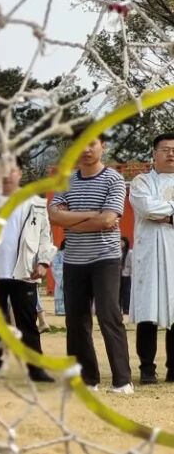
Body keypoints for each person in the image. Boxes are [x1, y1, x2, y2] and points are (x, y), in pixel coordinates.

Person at [48, 132, 133, 394]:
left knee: (109, 315)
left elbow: (109, 220)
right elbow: (54, 217)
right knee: (76, 320)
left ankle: (122, 380)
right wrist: (91, 215)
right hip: (74, 259)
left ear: (102, 146)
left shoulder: (114, 179)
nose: (86, 149)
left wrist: (71, 219)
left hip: (105, 258)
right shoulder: (66, 181)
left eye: (92, 144)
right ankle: (87, 379)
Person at [0, 156, 56, 382]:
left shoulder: (35, 203)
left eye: (12, 169)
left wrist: (43, 262)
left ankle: (35, 368)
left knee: (27, 322)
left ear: (20, 173)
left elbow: (44, 237)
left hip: (24, 272)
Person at [127, 132, 174, 384]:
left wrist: (164, 213)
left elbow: (155, 210)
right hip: (150, 253)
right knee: (149, 311)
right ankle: (147, 368)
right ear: (154, 154)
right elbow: (146, 208)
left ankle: (173, 368)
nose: (170, 153)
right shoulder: (141, 181)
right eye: (165, 149)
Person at [51, 240, 66, 316]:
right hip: (61, 278)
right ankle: (60, 310)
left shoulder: (74, 254)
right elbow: (55, 266)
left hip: (68, 277)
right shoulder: (58, 254)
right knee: (61, 293)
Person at [119, 236, 132, 317]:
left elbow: (132, 265)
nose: (121, 243)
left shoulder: (130, 252)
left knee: (126, 293)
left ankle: (126, 310)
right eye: (120, 242)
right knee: (118, 294)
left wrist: (131, 274)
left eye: (122, 242)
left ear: (126, 243)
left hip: (126, 276)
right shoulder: (118, 252)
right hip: (119, 276)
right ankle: (118, 309)